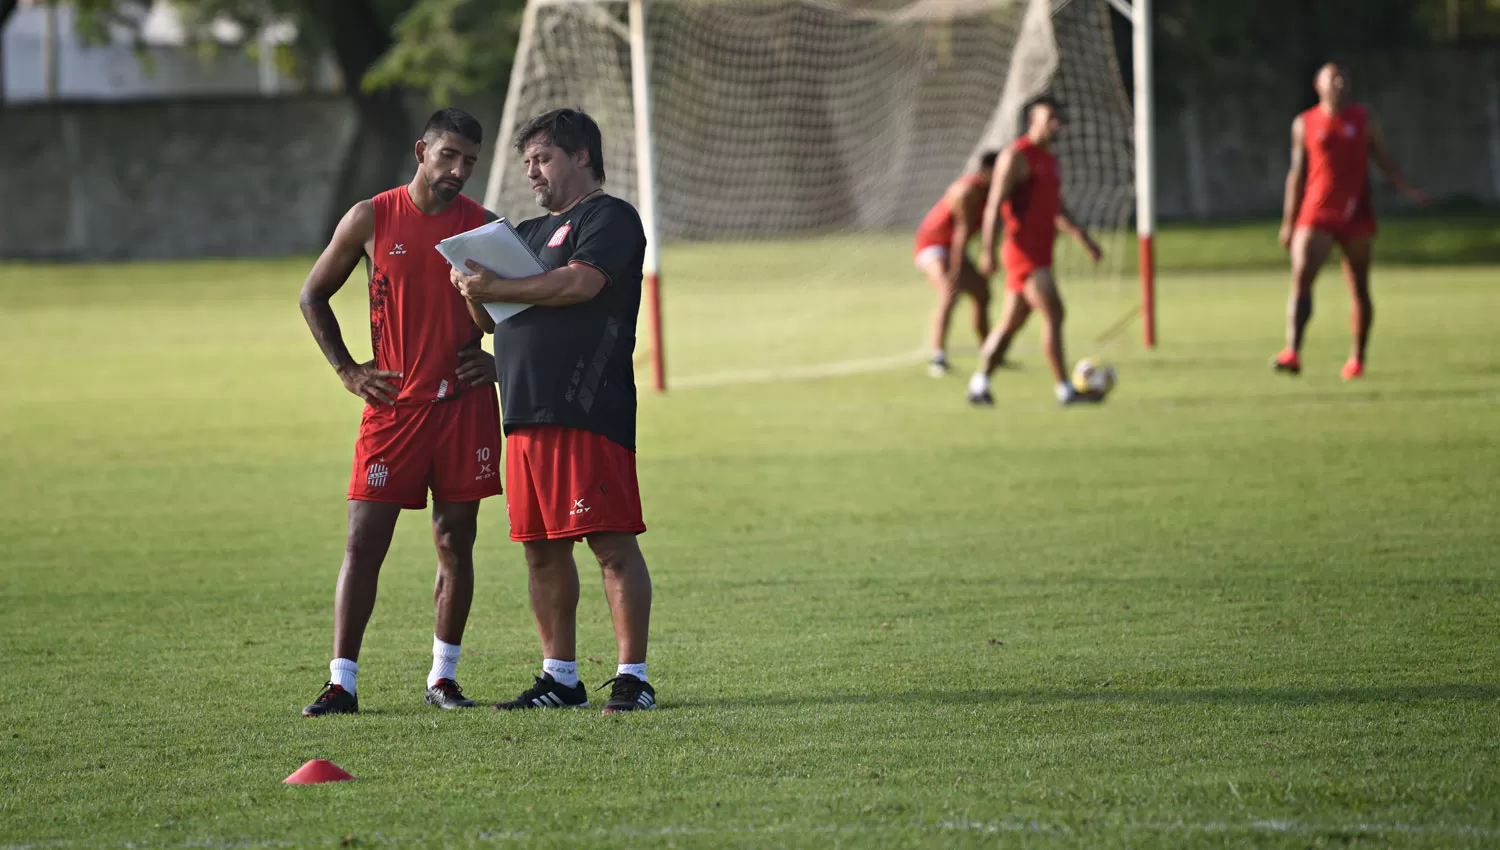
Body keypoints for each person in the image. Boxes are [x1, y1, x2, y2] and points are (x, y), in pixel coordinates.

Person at [297, 108, 503, 716]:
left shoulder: (484, 229)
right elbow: (312, 295)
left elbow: (524, 311)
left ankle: (443, 678)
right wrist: (348, 371)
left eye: (469, 160)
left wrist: (498, 360)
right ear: (422, 150)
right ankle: (342, 682)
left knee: (455, 540)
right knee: (364, 543)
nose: (459, 170)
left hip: (464, 409)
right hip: (394, 410)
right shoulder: (371, 217)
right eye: (449, 156)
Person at [451, 108, 657, 714]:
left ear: (581, 157)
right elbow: (493, 323)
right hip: (522, 412)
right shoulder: (527, 236)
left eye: (542, 158)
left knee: (610, 543)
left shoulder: (610, 217)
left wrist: (496, 287)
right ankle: (561, 677)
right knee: (540, 547)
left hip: (586, 407)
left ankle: (632, 676)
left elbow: (579, 286)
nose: (532, 172)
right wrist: (472, 292)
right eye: (527, 163)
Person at [1274, 62, 1427, 380]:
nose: (1339, 83)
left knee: (1359, 286)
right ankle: (1293, 351)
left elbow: (1383, 159)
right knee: (1301, 277)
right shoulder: (1305, 123)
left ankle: (1357, 359)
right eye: (1332, 78)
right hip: (1316, 213)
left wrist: (1408, 189)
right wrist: (1289, 221)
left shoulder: (1364, 119)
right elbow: (1297, 173)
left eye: (1343, 77)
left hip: (1356, 213)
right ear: (1318, 85)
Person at [967, 95, 1103, 406]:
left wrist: (1084, 239)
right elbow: (993, 206)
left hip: (1042, 252)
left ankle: (979, 385)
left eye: (1058, 119)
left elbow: (1057, 209)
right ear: (1033, 122)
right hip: (1022, 254)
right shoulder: (1016, 156)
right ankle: (1065, 390)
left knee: (1010, 324)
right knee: (1054, 312)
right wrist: (988, 251)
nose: (1056, 124)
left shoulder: (1049, 160)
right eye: (1049, 118)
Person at [913, 151, 999, 377]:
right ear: (986, 173)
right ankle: (938, 358)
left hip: (953, 248)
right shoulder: (966, 192)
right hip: (933, 245)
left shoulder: (995, 193)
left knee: (982, 293)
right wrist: (957, 269)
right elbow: (961, 232)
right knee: (950, 292)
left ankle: (990, 351)